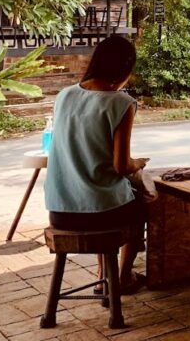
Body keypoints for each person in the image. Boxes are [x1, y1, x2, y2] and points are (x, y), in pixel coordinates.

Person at [44, 35, 148, 294]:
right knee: (142, 206)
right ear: (125, 68)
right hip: (101, 214)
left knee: (108, 198)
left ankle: (103, 273)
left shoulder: (64, 96)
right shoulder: (121, 103)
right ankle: (121, 278)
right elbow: (122, 166)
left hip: (59, 211)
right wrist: (139, 163)